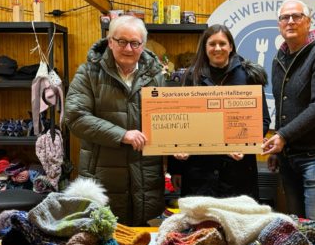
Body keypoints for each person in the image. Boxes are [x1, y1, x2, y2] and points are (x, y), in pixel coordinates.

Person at [64, 15, 166, 226]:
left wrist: (178, 144)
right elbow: (75, 116)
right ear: (110, 41)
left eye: (135, 43)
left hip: (146, 175)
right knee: (104, 236)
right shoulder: (88, 73)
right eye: (122, 41)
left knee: (142, 241)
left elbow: (166, 117)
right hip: (102, 174)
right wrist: (122, 135)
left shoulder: (156, 76)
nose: (128, 48)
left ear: (143, 45)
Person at [261, 0, 315, 223]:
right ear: (279, 25)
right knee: (296, 227)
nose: (290, 21)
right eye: (284, 18)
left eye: (296, 16)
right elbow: (281, 105)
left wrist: (283, 136)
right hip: (289, 157)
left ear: (308, 22)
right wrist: (279, 150)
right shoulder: (279, 57)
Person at [168, 24, 271, 199]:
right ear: (205, 47)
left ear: (230, 47)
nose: (218, 48)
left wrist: (244, 144)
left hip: (237, 171)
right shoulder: (192, 78)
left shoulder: (248, 77)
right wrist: (176, 168)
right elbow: (180, 123)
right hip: (199, 173)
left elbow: (263, 120)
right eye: (212, 44)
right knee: (201, 224)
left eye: (222, 43)